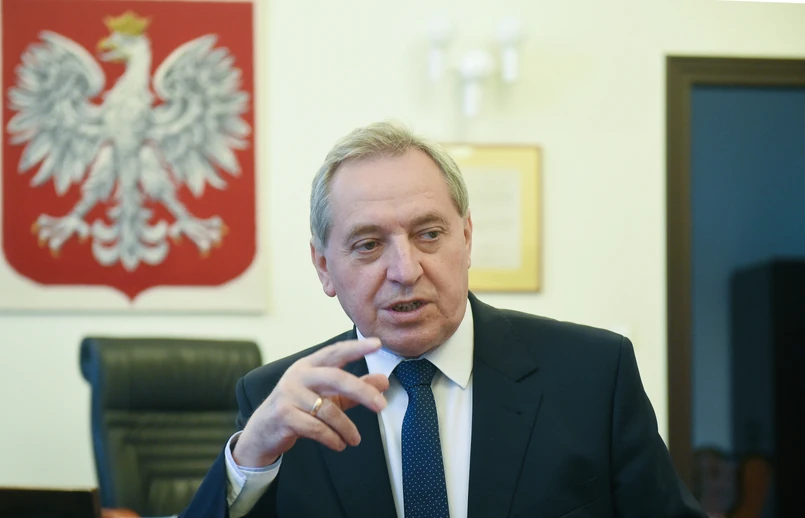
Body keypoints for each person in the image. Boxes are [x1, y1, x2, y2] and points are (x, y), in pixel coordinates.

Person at [181, 121, 706, 518]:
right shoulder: (277, 404)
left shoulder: (593, 373)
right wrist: (249, 458)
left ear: (467, 238)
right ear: (324, 266)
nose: (405, 270)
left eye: (428, 235)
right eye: (368, 245)